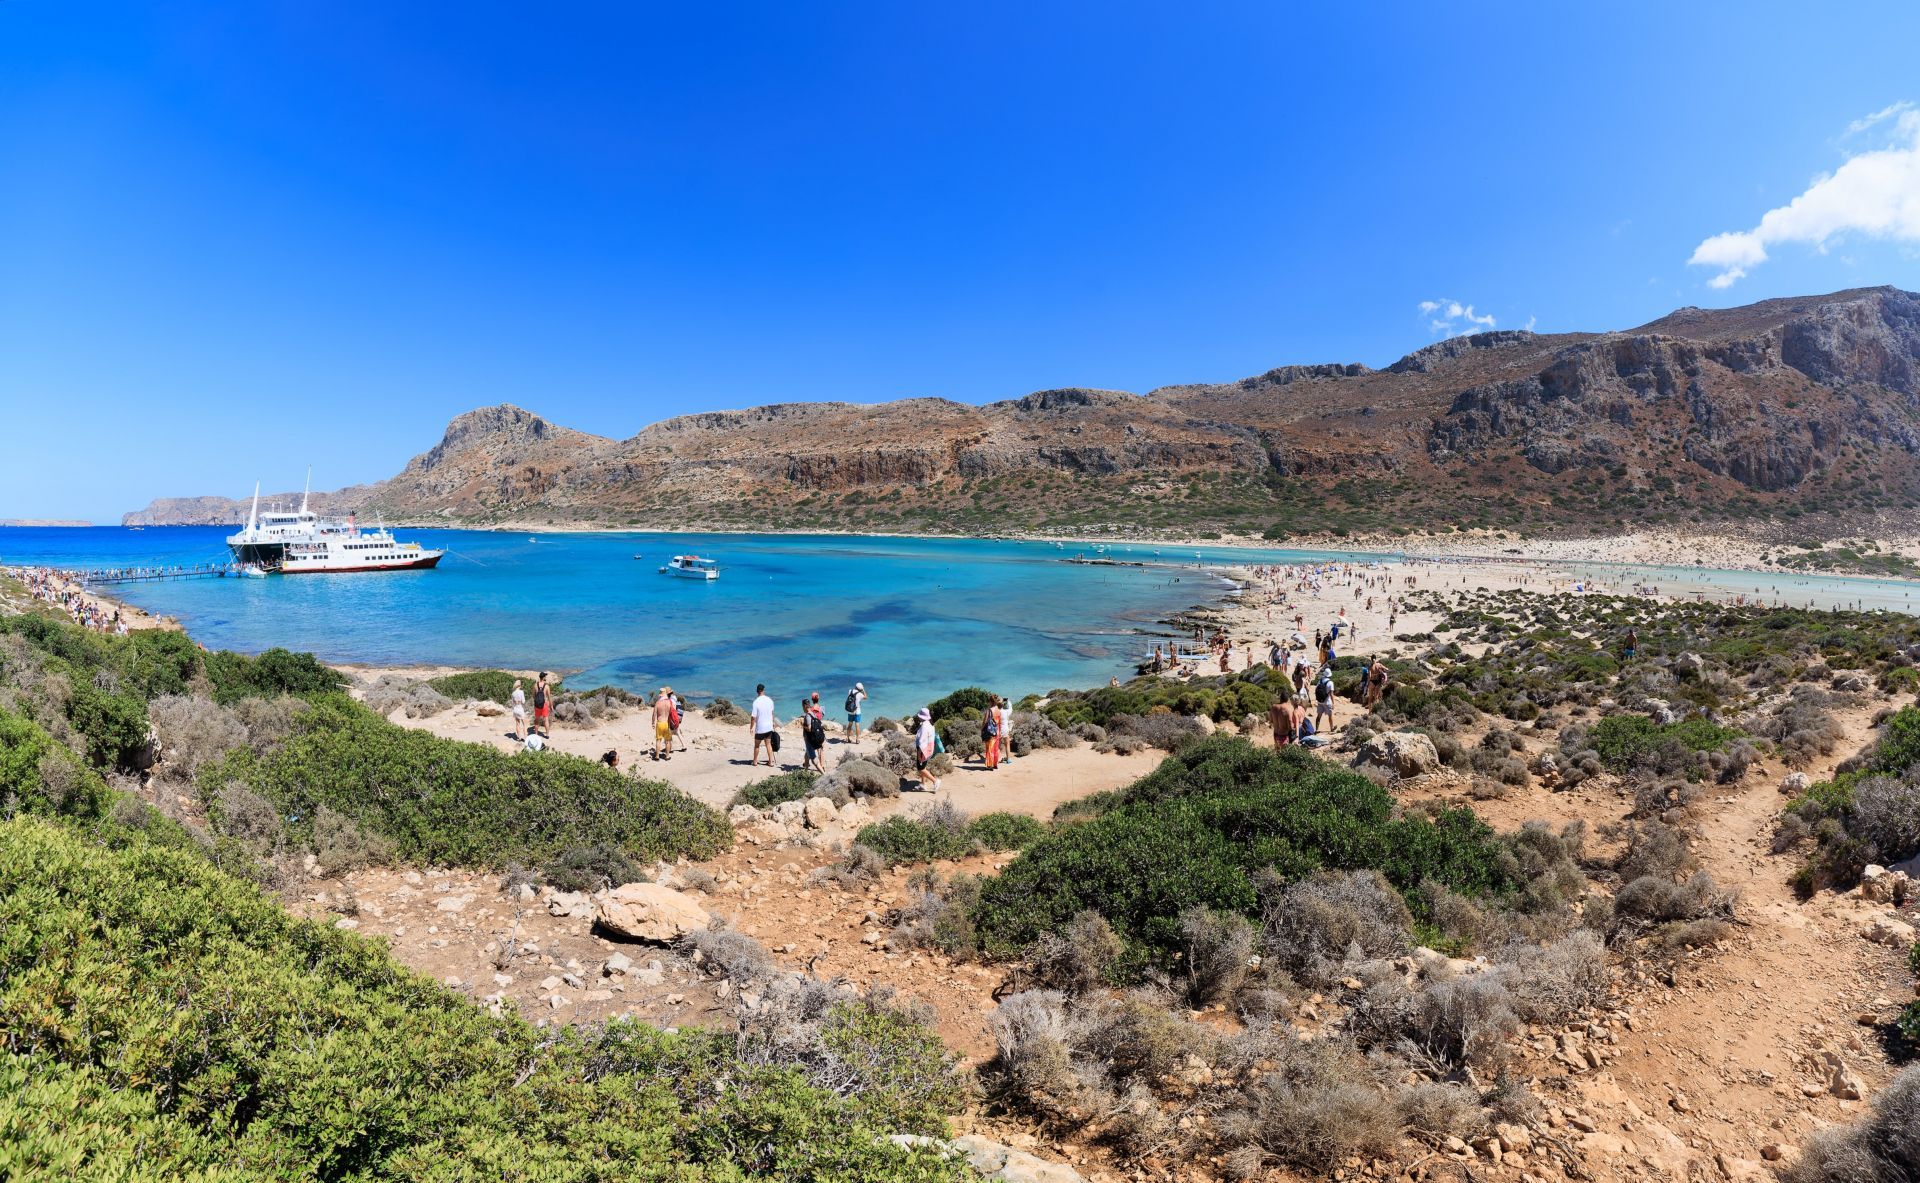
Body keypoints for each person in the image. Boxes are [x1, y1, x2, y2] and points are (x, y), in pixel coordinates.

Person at [750, 683, 778, 767]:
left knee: (757, 745)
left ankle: (755, 761)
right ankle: (771, 762)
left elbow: (753, 717)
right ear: (763, 690)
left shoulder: (756, 702)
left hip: (760, 728)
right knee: (768, 744)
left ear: (757, 691)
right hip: (769, 726)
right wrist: (773, 723)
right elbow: (772, 713)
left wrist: (751, 727)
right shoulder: (770, 700)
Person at [914, 707, 941, 792]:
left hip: (923, 750)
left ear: (922, 717)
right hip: (929, 748)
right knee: (923, 766)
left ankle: (935, 781)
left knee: (921, 768)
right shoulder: (930, 724)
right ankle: (923, 784)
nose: (918, 717)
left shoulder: (924, 726)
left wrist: (919, 752)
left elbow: (921, 742)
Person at [802, 693, 827, 772]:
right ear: (818, 699)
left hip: (811, 735)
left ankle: (809, 766)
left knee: (810, 751)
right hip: (818, 731)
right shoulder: (821, 708)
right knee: (820, 750)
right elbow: (820, 718)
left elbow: (808, 723)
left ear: (812, 700)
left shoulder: (811, 710)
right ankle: (822, 766)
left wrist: (803, 725)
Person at [651, 687, 674, 762]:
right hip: (666, 723)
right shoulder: (669, 702)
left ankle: (657, 756)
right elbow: (671, 714)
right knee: (667, 741)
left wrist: (653, 723)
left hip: (660, 723)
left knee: (658, 740)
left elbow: (654, 714)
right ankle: (667, 756)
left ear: (660, 695)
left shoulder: (658, 703)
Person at [982, 695, 1004, 770]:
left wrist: (982, 729)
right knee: (995, 748)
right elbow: (1000, 722)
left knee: (990, 748)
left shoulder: (989, 710)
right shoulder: (998, 710)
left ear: (990, 701)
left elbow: (985, 721)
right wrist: (1000, 731)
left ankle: (990, 765)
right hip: (997, 731)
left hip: (990, 731)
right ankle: (995, 764)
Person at [1314, 667, 1335, 733]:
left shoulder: (1320, 680)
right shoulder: (1330, 682)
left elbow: (1316, 689)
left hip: (1320, 701)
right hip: (1327, 701)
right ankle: (1331, 728)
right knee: (1330, 715)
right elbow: (1331, 694)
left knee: (1319, 716)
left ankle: (1316, 729)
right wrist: (1333, 703)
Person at [532, 672, 552, 738]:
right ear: (543, 677)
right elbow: (549, 697)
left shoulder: (535, 685)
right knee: (546, 719)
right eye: (545, 676)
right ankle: (547, 735)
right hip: (544, 705)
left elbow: (533, 696)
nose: (545, 678)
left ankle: (536, 734)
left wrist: (537, 701)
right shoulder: (546, 686)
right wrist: (551, 706)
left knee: (537, 719)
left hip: (537, 705)